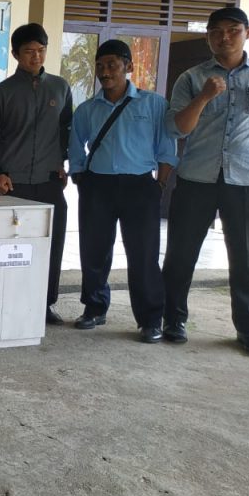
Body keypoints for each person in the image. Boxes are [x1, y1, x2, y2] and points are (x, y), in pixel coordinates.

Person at [69, 40, 176, 342]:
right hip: (97, 185)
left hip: (140, 186)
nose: (105, 72)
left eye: (112, 65)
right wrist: (80, 176)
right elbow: (76, 145)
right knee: (94, 251)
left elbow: (167, 147)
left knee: (143, 254)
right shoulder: (88, 109)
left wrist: (159, 184)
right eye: (100, 66)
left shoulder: (153, 104)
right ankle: (94, 308)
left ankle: (150, 319)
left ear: (129, 66)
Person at [162, 6, 249, 352]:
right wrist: (204, 96)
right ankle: (173, 319)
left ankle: (248, 328)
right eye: (216, 31)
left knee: (246, 260)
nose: (224, 37)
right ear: (208, 37)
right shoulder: (191, 78)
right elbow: (178, 128)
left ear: (248, 33)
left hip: (245, 179)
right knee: (181, 254)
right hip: (196, 178)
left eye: (233, 30)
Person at [0, 23, 73, 326]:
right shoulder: (1, 93)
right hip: (14, 182)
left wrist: (63, 161)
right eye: (28, 51)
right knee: (13, 246)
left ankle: (45, 304)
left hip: (49, 181)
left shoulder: (60, 88)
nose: (36, 56)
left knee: (51, 243)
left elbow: (67, 129)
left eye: (41, 50)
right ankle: (8, 301)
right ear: (15, 54)